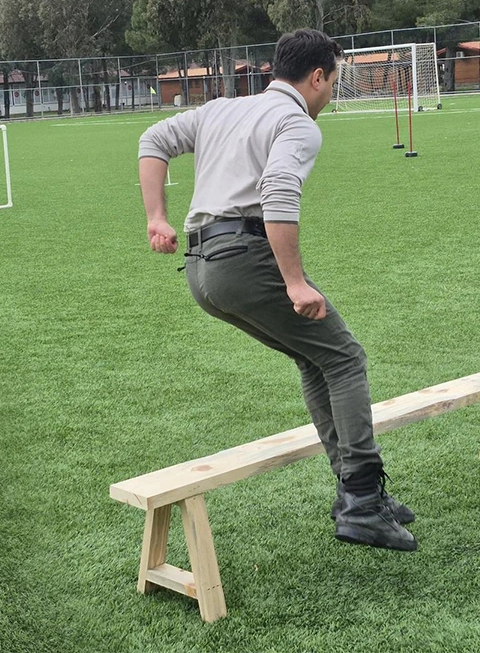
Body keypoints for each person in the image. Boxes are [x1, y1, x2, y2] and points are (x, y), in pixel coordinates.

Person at [138, 28, 416, 552]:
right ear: (316, 77)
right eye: (333, 82)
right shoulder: (297, 124)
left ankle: (357, 493)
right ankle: (360, 501)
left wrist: (157, 218)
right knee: (346, 358)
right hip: (244, 261)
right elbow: (278, 190)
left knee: (317, 359)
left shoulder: (222, 109)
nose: (332, 94)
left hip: (202, 270)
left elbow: (153, 140)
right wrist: (294, 282)